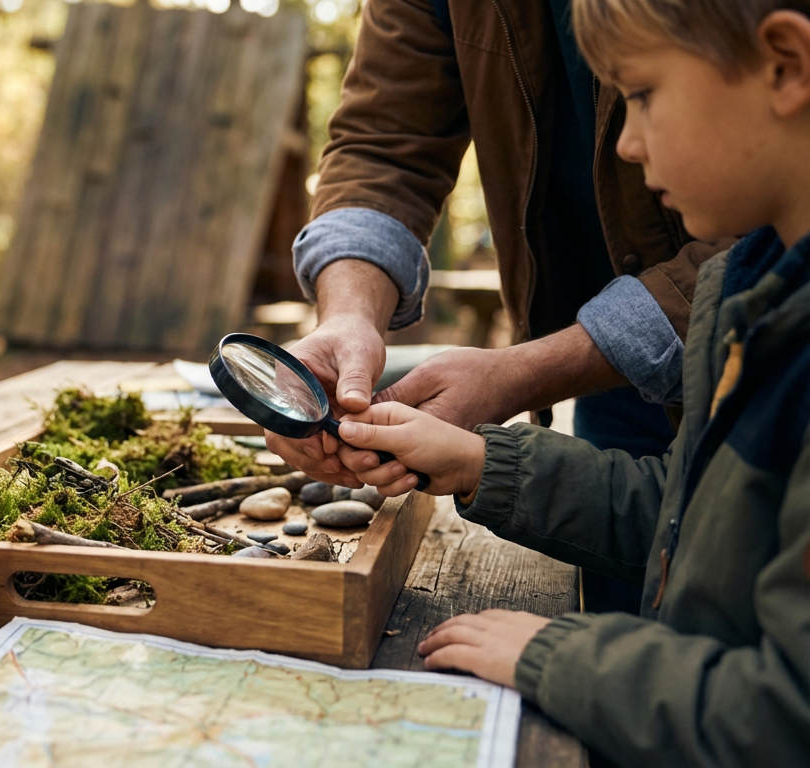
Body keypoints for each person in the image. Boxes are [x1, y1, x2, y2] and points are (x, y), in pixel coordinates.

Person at [336, 1, 810, 762]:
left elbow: (784, 714)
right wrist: (481, 463)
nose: (624, 143)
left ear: (785, 64)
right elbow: (688, 521)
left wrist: (561, 658)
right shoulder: (744, 296)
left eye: (643, 94)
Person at [273, 0, 725, 612]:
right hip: (603, 385)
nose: (630, 147)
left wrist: (521, 377)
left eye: (644, 95)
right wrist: (349, 313)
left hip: (733, 345)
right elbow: (383, 147)